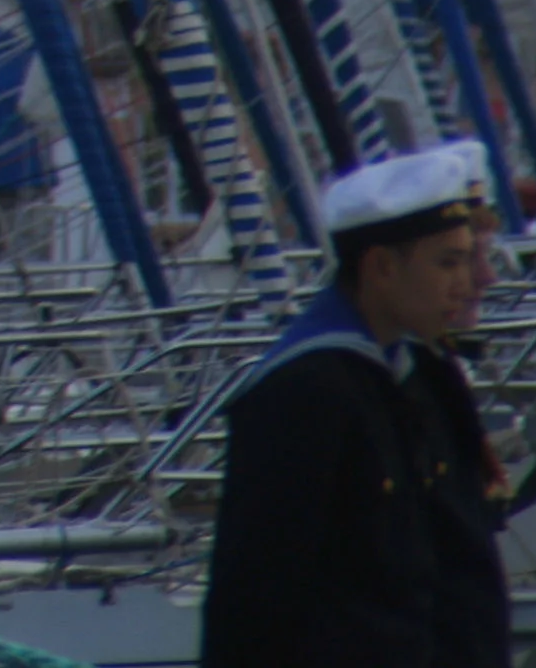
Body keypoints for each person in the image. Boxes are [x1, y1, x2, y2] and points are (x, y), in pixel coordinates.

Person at [201, 139, 508, 668]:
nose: (469, 283)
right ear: (382, 266)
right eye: (447, 263)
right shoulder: (304, 391)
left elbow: (461, 570)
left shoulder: (425, 374)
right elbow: (255, 595)